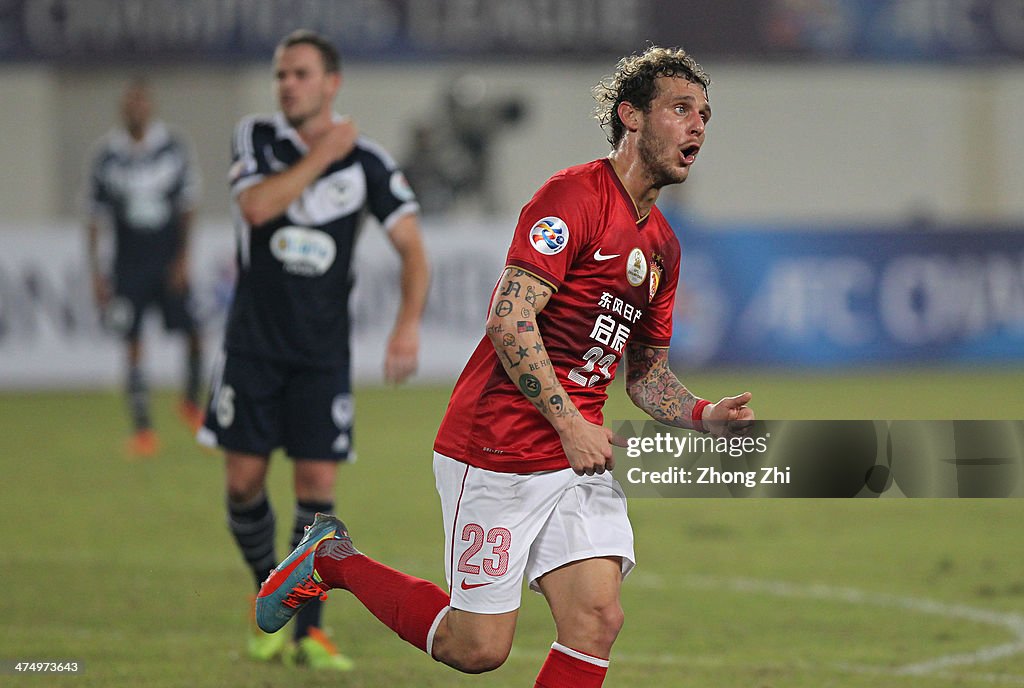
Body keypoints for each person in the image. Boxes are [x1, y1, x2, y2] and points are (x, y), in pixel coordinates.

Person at [254, 45, 754, 686]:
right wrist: (570, 422)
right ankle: (331, 559)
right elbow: (510, 319)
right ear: (631, 117)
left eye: (705, 115)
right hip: (496, 448)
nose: (698, 127)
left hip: (577, 459)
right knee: (477, 648)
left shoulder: (661, 245)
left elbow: (645, 374)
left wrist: (701, 413)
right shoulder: (572, 198)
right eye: (681, 109)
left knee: (597, 618)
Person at [198, 30, 430, 671]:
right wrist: (322, 151)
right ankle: (266, 594)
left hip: (321, 356)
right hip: (252, 348)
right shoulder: (257, 139)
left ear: (331, 83)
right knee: (244, 483)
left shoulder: (369, 163)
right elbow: (256, 207)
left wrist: (406, 324)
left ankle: (310, 632)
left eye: (300, 74)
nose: (287, 85)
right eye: (281, 75)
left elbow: (412, 248)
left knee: (317, 487)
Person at [86, 77, 204, 458]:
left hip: (167, 261)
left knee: (193, 331)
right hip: (128, 266)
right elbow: (94, 217)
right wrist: (96, 273)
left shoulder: (172, 147)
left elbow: (187, 206)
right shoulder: (107, 156)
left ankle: (190, 402)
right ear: (123, 109)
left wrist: (184, 258)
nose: (136, 108)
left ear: (150, 106)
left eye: (141, 101)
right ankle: (143, 429)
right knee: (133, 342)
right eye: (129, 102)